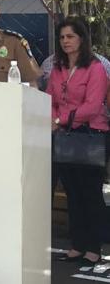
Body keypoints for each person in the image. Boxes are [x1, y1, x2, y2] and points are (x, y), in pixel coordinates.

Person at [46, 17, 108, 265]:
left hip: (89, 134)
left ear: (82, 38)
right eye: (62, 37)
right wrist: (53, 119)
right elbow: (49, 97)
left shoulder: (96, 67)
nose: (65, 42)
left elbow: (93, 106)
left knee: (89, 193)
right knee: (72, 191)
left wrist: (61, 120)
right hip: (64, 136)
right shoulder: (58, 67)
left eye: (70, 36)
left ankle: (93, 248)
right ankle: (77, 245)